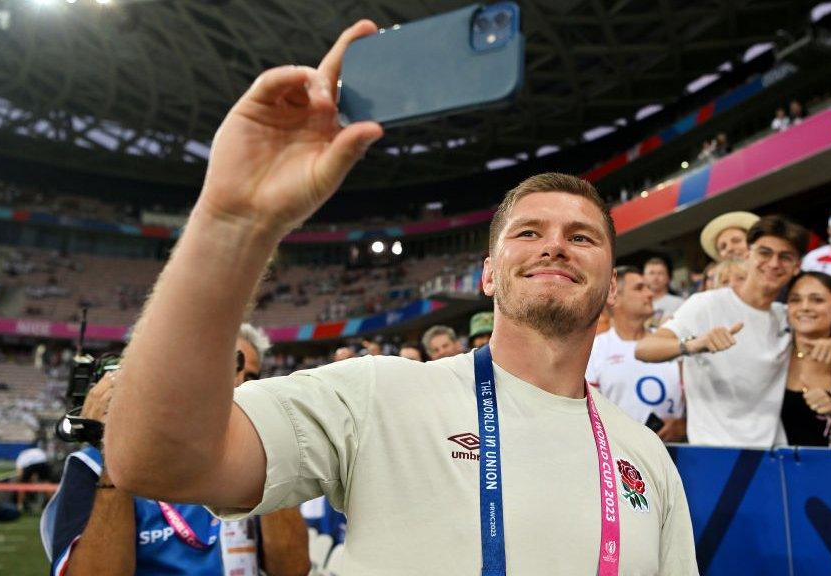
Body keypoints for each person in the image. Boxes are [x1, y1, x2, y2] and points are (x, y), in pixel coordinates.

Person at [104, 22, 697, 575]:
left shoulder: (646, 457)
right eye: (529, 232)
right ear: (489, 276)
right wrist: (231, 222)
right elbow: (156, 461)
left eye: (582, 237)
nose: (555, 247)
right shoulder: (378, 395)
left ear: (612, 284)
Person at [42, 325, 310, 576]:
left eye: (249, 376)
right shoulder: (92, 466)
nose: (238, 384)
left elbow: (293, 569)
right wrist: (113, 453)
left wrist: (269, 444)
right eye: (220, 368)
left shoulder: (254, 463)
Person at [635, 215, 808, 447]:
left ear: (796, 266)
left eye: (785, 257)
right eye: (765, 253)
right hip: (714, 453)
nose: (774, 263)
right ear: (748, 255)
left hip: (772, 455)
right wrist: (693, 345)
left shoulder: (788, 315)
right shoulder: (706, 304)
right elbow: (644, 349)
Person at [587, 267, 685, 442]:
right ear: (614, 296)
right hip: (622, 459)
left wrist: (683, 425)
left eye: (648, 288)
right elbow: (588, 417)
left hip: (679, 456)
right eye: (640, 288)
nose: (650, 294)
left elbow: (696, 404)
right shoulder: (595, 350)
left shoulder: (670, 341)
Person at [781, 272, 831, 447]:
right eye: (795, 300)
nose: (805, 307)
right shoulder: (774, 354)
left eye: (817, 300)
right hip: (766, 468)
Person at [643, 255, 684, 322]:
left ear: (668, 278)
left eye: (660, 273)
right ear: (644, 277)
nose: (656, 278)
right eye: (651, 273)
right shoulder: (638, 305)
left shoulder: (679, 303)